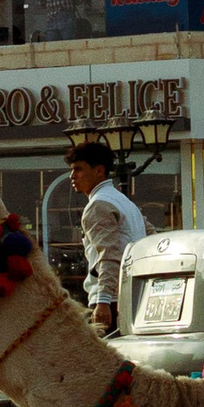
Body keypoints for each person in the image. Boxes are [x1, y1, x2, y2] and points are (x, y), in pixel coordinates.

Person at [66, 139, 147, 334]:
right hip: (133, 294)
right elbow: (149, 234)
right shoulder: (122, 200)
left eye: (79, 169)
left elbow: (108, 254)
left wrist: (102, 300)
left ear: (99, 171)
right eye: (72, 169)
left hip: (112, 299)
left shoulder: (98, 205)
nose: (72, 176)